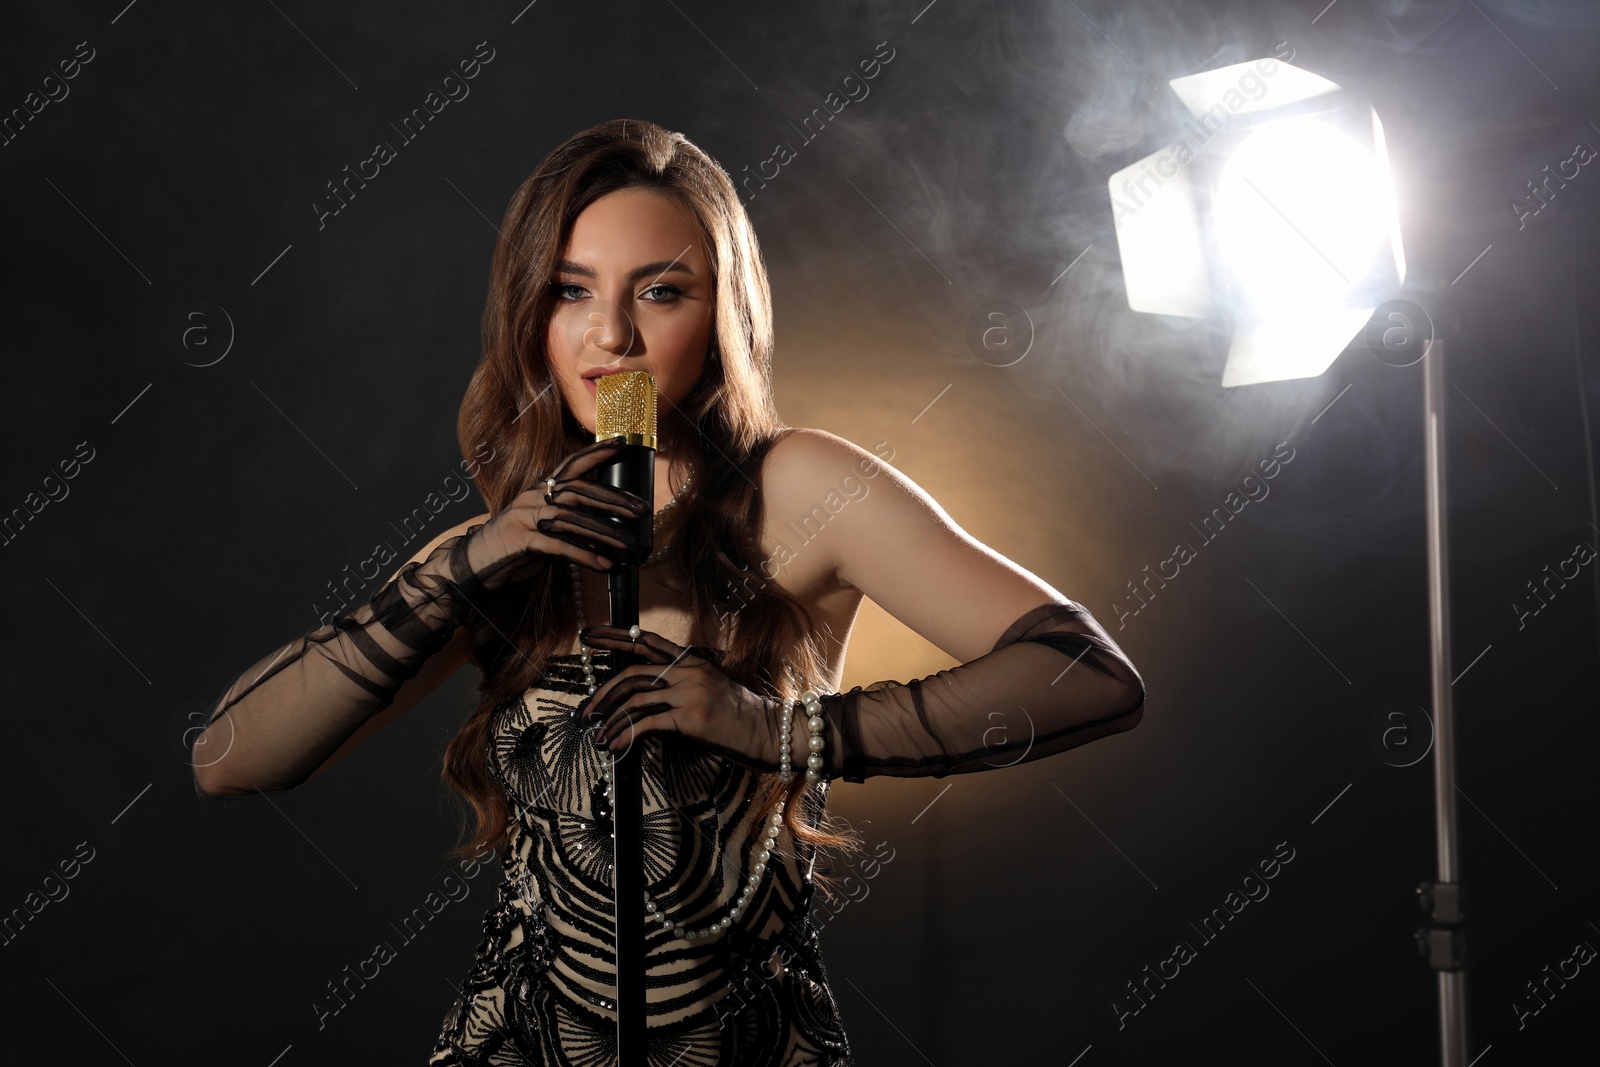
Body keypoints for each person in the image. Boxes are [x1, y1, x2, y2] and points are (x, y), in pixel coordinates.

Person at [190, 118, 1147, 1066]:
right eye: (571, 291)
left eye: (660, 291)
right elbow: (228, 759)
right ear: (532, 313)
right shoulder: (496, 549)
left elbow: (1086, 675)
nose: (612, 336)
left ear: (722, 311)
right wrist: (463, 567)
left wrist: (773, 727)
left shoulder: (801, 490)